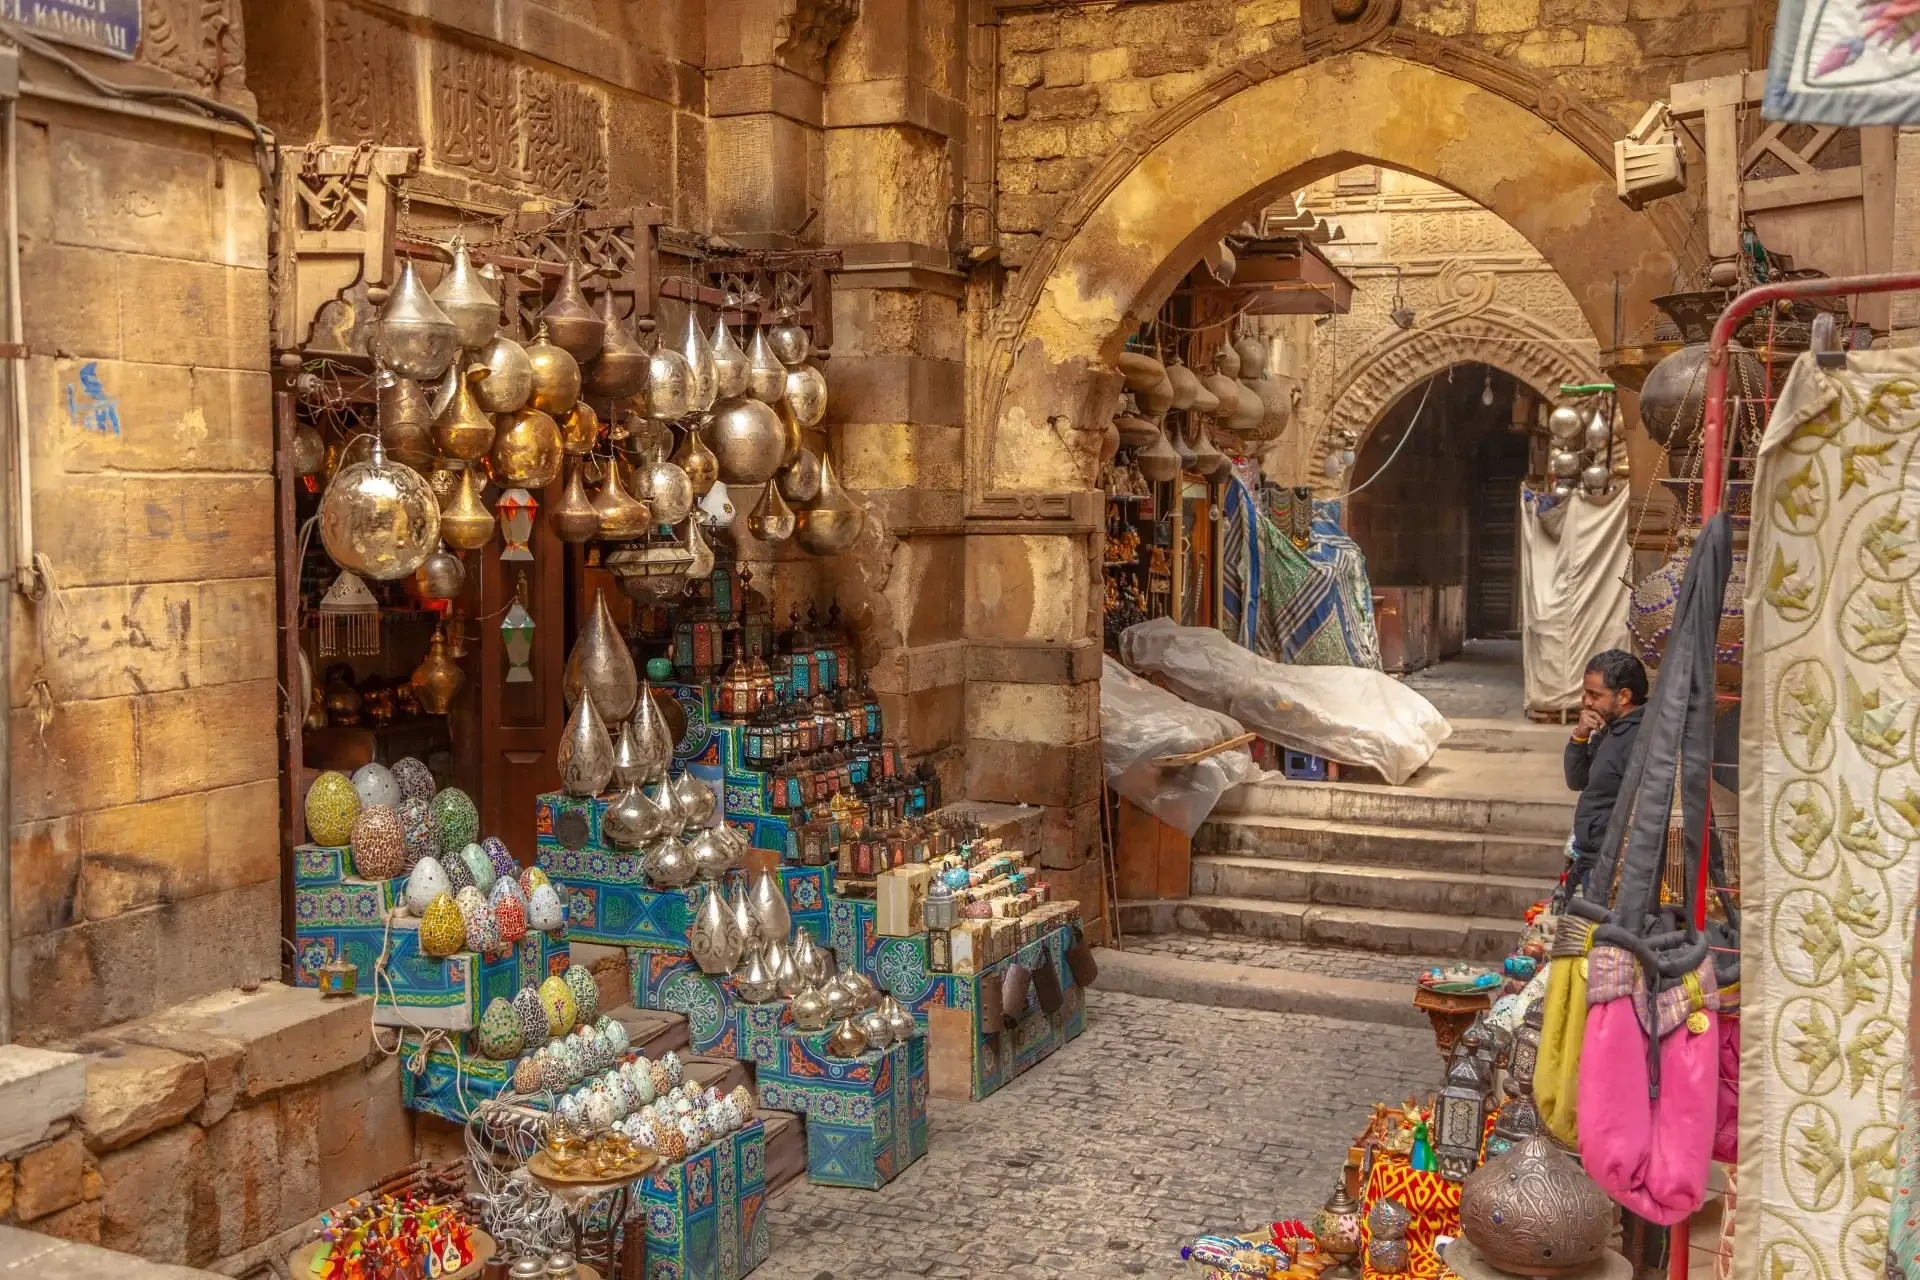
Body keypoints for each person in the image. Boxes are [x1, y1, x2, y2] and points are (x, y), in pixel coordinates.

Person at [1562, 648, 1647, 899]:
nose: (1586, 702)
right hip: (1590, 859)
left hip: (1610, 868)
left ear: (1624, 696)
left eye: (1595, 695)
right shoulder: (1611, 728)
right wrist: (1580, 736)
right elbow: (1577, 780)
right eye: (1586, 693)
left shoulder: (1638, 739)